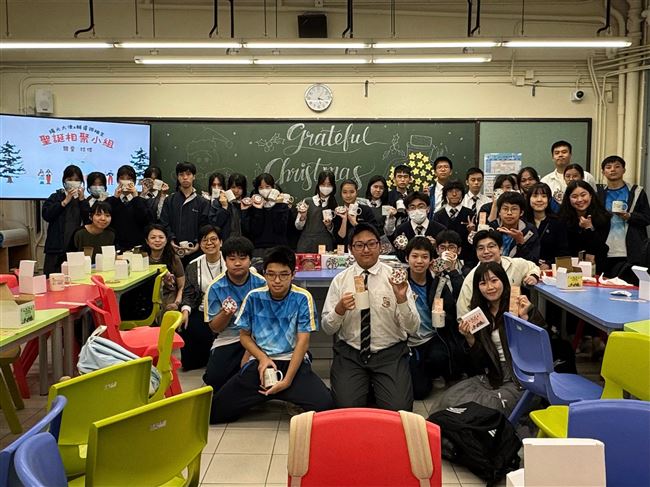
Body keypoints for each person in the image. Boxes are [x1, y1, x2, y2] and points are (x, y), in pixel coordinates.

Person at [209, 246, 333, 424]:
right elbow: (244, 336)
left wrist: (287, 380)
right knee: (215, 413)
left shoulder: (302, 298)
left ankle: (285, 393)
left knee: (327, 407)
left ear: (293, 274)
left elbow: (303, 342)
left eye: (284, 275)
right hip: (261, 363)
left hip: (292, 361)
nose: (277, 281)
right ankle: (264, 397)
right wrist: (262, 358)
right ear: (264, 274)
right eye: (271, 274)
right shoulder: (254, 297)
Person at [436, 262, 558, 416]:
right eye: (483, 283)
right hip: (493, 375)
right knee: (449, 400)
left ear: (503, 281)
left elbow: (543, 346)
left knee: (487, 407)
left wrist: (526, 319)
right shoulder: (478, 315)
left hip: (522, 378)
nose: (490, 287)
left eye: (494, 280)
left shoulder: (519, 307)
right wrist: (469, 338)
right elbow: (478, 365)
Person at [322, 223, 420, 411]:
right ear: (351, 249)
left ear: (380, 246)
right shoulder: (340, 280)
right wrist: (339, 309)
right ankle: (365, 387)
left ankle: (374, 388)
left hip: (389, 353)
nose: (366, 250)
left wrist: (401, 300)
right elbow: (328, 328)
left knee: (399, 410)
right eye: (359, 245)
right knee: (345, 408)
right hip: (351, 353)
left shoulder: (395, 278)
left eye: (371, 244)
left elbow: (413, 328)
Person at [405, 236, 466, 399]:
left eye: (424, 257)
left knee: (438, 357)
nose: (419, 261)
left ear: (431, 261)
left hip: (432, 337)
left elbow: (453, 310)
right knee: (419, 392)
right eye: (415, 256)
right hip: (406, 340)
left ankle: (433, 372)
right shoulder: (400, 282)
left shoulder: (439, 283)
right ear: (406, 258)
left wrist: (445, 315)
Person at [203, 236, 266, 391]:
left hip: (259, 338)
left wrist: (248, 353)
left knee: (255, 371)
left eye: (242, 258)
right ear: (225, 261)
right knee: (214, 379)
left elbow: (266, 323)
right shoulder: (215, 287)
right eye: (232, 259)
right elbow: (215, 328)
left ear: (250, 260)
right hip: (229, 338)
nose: (237, 263)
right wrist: (225, 314)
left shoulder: (262, 283)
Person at [457, 229, 540, 318]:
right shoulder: (471, 277)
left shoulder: (515, 264)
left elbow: (533, 267)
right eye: (481, 248)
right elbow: (463, 311)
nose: (486, 251)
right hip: (488, 323)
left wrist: (533, 276)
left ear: (501, 249)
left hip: (514, 318)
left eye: (491, 246)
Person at [596, 155, 650, 279]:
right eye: (608, 167)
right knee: (605, 284)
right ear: (603, 172)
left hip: (630, 249)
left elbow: (647, 218)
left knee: (629, 284)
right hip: (605, 248)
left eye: (617, 166)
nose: (612, 170)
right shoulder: (599, 193)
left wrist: (629, 216)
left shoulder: (636, 191)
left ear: (624, 170)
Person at [179, 225, 224, 371]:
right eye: (205, 240)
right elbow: (189, 293)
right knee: (186, 324)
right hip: (202, 309)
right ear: (200, 244)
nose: (209, 243)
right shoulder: (194, 265)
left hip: (226, 310)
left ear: (221, 242)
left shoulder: (229, 261)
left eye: (213, 239)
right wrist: (185, 311)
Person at [42, 164, 90, 276]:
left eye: (77, 180)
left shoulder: (82, 200)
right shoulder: (56, 197)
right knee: (52, 279)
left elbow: (88, 221)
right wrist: (64, 202)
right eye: (70, 179)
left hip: (75, 250)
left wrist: (82, 200)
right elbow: (46, 215)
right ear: (64, 181)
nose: (73, 182)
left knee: (75, 279)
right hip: (55, 249)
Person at [160, 162, 209, 264]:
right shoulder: (170, 200)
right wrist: (171, 240)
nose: (185, 177)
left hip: (196, 251)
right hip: (173, 250)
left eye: (188, 174)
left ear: (194, 176)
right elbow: (164, 223)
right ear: (178, 177)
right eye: (181, 174)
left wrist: (197, 244)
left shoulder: (202, 202)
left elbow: (204, 226)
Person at [559, 180, 611, 272]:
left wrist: (589, 228)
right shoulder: (562, 218)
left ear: (590, 195)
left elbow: (600, 245)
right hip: (569, 265)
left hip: (597, 265)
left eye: (583, 195)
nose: (579, 200)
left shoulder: (603, 216)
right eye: (574, 196)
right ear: (568, 199)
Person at [241, 172, 291, 257]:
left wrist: (278, 204)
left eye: (267, 187)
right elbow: (254, 231)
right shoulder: (253, 204)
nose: (264, 190)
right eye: (261, 187)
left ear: (273, 187)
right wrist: (258, 210)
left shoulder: (282, 205)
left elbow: (281, 228)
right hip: (258, 249)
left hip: (279, 247)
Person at [107, 164, 154, 251]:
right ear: (117, 181)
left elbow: (147, 221)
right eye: (122, 178)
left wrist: (136, 197)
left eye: (129, 179)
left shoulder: (142, 201)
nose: (125, 181)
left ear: (134, 182)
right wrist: (115, 198)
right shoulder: (111, 200)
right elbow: (107, 220)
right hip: (115, 246)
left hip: (137, 247)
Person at [524, 183, 569, 270]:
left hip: (550, 271)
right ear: (528, 199)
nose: (539, 200)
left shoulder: (558, 222)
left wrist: (549, 264)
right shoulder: (522, 222)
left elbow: (563, 252)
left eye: (544, 196)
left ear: (549, 199)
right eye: (535, 196)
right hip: (526, 269)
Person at [391, 191, 446, 262]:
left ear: (428, 208)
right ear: (407, 210)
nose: (417, 210)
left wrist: (436, 247)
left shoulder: (440, 230)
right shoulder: (400, 230)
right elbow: (399, 255)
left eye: (421, 207)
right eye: (412, 207)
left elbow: (444, 255)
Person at [488, 191, 540, 263]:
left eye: (514, 209)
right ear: (499, 212)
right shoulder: (491, 228)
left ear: (521, 212)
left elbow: (533, 261)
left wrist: (521, 243)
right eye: (505, 209)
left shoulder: (529, 230)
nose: (509, 213)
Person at [143, 224, 185, 312]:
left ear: (166, 241)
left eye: (161, 237)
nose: (157, 240)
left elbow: (182, 286)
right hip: (147, 301)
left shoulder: (174, 259)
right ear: (147, 241)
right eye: (153, 237)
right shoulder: (141, 259)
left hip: (169, 300)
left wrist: (176, 303)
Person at [540, 140, 597, 205]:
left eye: (564, 152)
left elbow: (594, 200)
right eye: (557, 153)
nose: (560, 155)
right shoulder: (545, 181)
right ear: (553, 157)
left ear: (570, 155)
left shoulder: (587, 176)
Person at [432, 180, 475, 264]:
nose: (454, 194)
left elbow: (474, 242)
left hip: (466, 260)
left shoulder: (470, 214)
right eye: (450, 191)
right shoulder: (438, 215)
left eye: (457, 191)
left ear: (462, 194)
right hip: (443, 260)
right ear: (445, 194)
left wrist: (472, 232)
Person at [295, 170, 337, 252]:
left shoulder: (334, 205)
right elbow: (298, 227)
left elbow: (336, 233)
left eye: (329, 185)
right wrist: (303, 216)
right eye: (323, 184)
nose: (326, 187)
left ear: (333, 187)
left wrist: (329, 226)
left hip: (325, 244)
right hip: (306, 244)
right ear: (318, 185)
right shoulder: (307, 202)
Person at [334, 179, 379, 250]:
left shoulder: (366, 210)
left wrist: (355, 223)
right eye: (345, 192)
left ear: (356, 192)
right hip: (344, 251)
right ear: (341, 194)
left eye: (352, 192)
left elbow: (374, 233)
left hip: (364, 250)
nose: (348, 195)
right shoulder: (339, 212)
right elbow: (340, 238)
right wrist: (344, 220)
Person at [209, 172, 248, 241]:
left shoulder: (247, 204)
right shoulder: (218, 202)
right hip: (225, 242)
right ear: (229, 188)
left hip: (243, 243)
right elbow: (215, 225)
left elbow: (249, 229)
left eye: (239, 188)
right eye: (233, 187)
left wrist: (244, 210)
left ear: (244, 189)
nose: (236, 191)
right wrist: (224, 207)